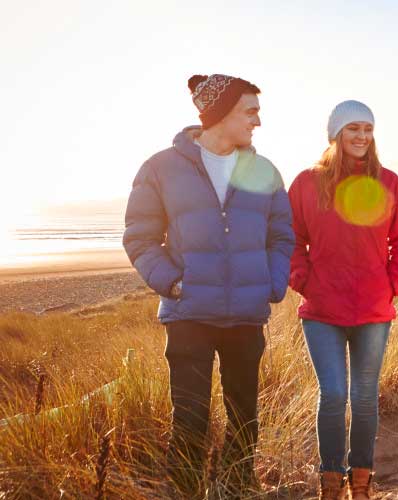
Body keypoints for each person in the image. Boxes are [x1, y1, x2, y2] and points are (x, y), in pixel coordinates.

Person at [123, 73, 293, 494]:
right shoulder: (160, 168)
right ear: (220, 114)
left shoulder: (265, 171)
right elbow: (140, 237)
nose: (257, 121)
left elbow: (281, 234)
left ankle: (238, 489)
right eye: (250, 112)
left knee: (244, 416)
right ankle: (184, 491)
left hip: (246, 317)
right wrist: (172, 283)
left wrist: (272, 284)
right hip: (189, 314)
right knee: (191, 418)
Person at [288, 100, 398, 500]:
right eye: (353, 129)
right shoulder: (307, 183)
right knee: (333, 395)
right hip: (322, 312)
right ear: (336, 135)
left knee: (364, 397)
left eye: (367, 129)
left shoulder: (389, 182)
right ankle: (330, 482)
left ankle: (361, 482)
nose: (362, 136)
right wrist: (303, 280)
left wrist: (392, 283)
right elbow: (291, 239)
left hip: (373, 311)